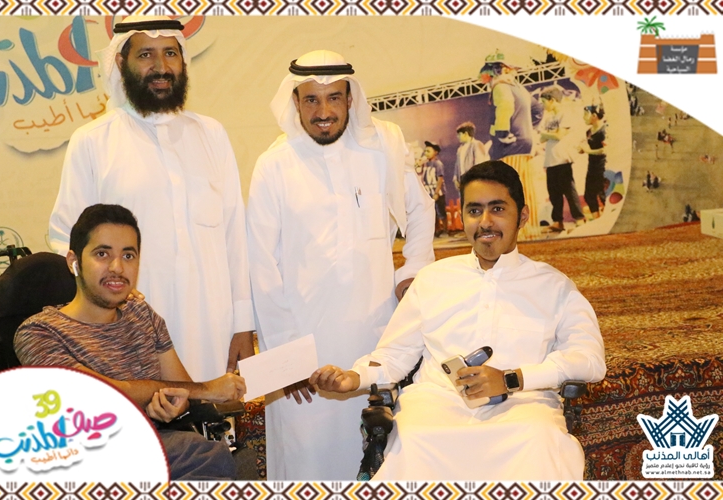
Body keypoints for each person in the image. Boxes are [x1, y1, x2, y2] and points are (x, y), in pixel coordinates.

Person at [311, 160, 606, 480]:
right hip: (436, 408)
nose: (485, 222)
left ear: (522, 216)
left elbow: (589, 360)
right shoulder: (432, 279)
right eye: (474, 210)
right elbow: (394, 355)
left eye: (497, 209)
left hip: (522, 410)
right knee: (414, 437)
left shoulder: (554, 287)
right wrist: (353, 378)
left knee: (539, 439)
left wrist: (511, 379)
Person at [247, 50, 435, 480]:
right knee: (306, 456)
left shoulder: (382, 147)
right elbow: (260, 264)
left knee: (375, 447)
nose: (324, 111)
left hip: (374, 331)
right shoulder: (274, 165)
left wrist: (412, 271)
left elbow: (420, 210)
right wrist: (287, 356)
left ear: (351, 99)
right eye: (311, 99)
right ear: (295, 102)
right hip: (303, 340)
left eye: (334, 97)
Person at [48, 16, 254, 381]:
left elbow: (235, 236)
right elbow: (66, 236)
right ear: (120, 62)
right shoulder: (93, 141)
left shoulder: (211, 134)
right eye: (146, 54)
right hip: (126, 330)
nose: (161, 67)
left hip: (211, 324)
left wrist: (242, 324)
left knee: (212, 412)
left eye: (170, 53)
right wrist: (103, 306)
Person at [15, 204, 247, 480]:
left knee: (223, 459)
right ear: (73, 262)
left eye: (128, 255)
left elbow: (182, 390)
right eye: (102, 254)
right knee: (208, 456)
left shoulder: (142, 315)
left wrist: (173, 407)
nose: (117, 267)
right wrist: (207, 389)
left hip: (159, 450)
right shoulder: (39, 332)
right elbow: (101, 394)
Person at [479, 50, 544, 240]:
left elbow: (505, 106)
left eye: (494, 69)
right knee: (525, 188)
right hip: (524, 144)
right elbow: (538, 109)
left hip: (509, 146)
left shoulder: (501, 86)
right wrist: (526, 130)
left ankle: (520, 234)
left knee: (511, 191)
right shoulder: (521, 89)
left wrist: (503, 132)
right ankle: (531, 230)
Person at [539, 86, 585, 232]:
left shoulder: (565, 114)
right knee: (554, 194)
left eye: (544, 102)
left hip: (562, 157)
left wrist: (547, 134)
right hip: (550, 160)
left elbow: (559, 135)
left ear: (552, 100)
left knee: (569, 190)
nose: (543, 105)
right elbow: (541, 138)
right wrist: (549, 134)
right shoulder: (549, 118)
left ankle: (579, 218)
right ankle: (558, 222)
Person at [578, 104, 608, 219]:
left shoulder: (604, 130)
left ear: (594, 116)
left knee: (603, 195)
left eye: (586, 114)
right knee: (589, 195)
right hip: (592, 167)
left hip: (602, 167)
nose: (583, 117)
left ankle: (607, 219)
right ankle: (597, 219)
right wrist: (582, 149)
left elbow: (605, 150)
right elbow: (588, 147)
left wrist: (588, 151)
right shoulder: (589, 131)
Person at [419, 141, 448, 237]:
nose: (426, 153)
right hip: (428, 191)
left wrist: (436, 192)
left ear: (435, 152)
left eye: (428, 151)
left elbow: (440, 179)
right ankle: (437, 230)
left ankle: (445, 230)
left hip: (437, 191)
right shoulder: (425, 164)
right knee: (432, 212)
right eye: (425, 151)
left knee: (441, 211)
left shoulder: (438, 164)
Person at [453, 121, 490, 191]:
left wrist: (473, 180)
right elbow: (457, 165)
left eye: (459, 134)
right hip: (463, 183)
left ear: (466, 134)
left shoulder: (476, 144)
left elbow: (479, 165)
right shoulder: (460, 149)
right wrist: (455, 179)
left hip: (474, 183)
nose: (457, 137)